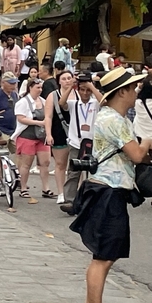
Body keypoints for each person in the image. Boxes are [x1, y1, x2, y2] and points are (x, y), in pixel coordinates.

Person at [69, 67, 152, 303]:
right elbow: (137, 155)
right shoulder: (114, 120)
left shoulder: (114, 117)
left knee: (108, 253)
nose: (136, 91)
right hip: (107, 192)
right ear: (123, 92)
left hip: (108, 190)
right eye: (133, 87)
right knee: (103, 256)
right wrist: (149, 141)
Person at [60, 74, 102, 210]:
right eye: (82, 90)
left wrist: (91, 86)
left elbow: (104, 101)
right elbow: (62, 102)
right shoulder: (74, 104)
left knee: (94, 172)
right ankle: (70, 200)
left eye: (87, 90)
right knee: (73, 172)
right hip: (75, 142)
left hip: (92, 143)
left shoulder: (95, 104)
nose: (85, 93)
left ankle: (93, 200)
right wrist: (71, 86)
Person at [13, 77, 53, 204]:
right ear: (30, 88)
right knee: (26, 163)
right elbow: (21, 118)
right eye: (37, 88)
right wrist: (38, 122)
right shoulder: (23, 102)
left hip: (41, 137)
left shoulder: (43, 101)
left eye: (41, 88)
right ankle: (23, 187)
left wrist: (48, 132)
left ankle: (46, 188)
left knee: (45, 162)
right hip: (27, 135)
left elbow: (48, 118)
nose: (40, 90)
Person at [43, 70, 75, 204]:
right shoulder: (53, 95)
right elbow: (48, 117)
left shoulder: (79, 94)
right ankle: (61, 192)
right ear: (59, 81)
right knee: (60, 164)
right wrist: (48, 134)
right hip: (59, 130)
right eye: (64, 79)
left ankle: (74, 192)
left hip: (76, 132)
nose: (67, 81)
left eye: (69, 78)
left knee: (75, 166)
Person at [133, 54, 152, 207]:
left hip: (141, 138)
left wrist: (146, 78)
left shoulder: (138, 103)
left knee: (148, 168)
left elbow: (136, 90)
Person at [0, 73, 19, 147]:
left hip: (14, 129)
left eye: (15, 83)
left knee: (19, 152)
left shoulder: (14, 94)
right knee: (2, 153)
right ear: (3, 83)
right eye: (11, 83)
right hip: (1, 130)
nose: (13, 85)